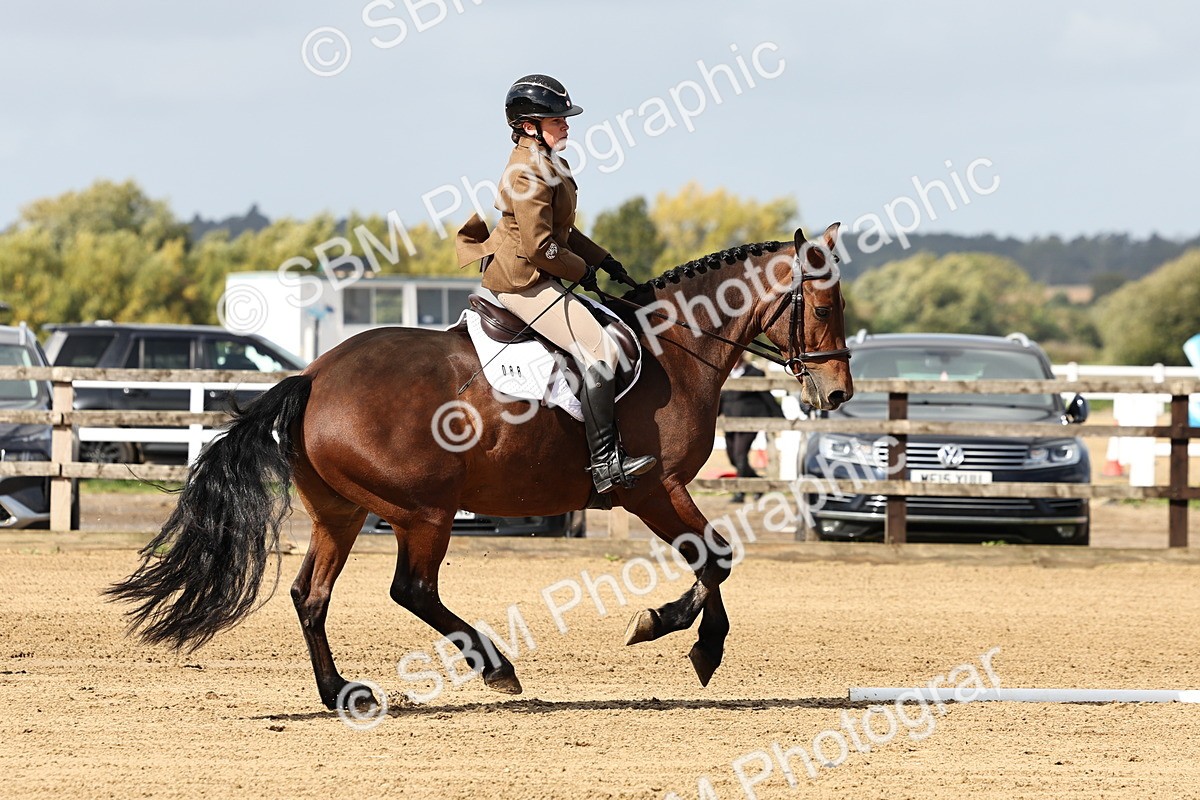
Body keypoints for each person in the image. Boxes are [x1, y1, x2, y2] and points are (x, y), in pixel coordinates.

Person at [456, 74, 656, 494]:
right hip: (522, 283)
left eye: (565, 118)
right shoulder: (527, 173)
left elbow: (563, 230)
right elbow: (540, 248)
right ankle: (605, 464)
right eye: (557, 119)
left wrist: (604, 260)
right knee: (599, 349)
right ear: (529, 126)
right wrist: (579, 269)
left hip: (541, 272)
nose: (566, 125)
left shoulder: (549, 162)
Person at [719, 353, 785, 502]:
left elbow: (766, 396)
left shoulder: (754, 373)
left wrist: (779, 417)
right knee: (733, 458)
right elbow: (721, 398)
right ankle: (758, 483)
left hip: (749, 422)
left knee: (740, 455)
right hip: (729, 422)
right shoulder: (725, 374)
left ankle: (740, 492)